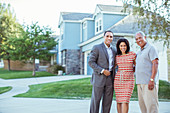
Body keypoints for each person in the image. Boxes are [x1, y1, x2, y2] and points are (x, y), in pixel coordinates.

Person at [88, 30, 117, 113]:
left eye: (111, 36)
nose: (109, 38)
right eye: (107, 36)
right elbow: (91, 62)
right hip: (99, 78)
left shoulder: (114, 50)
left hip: (110, 79)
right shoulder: (97, 47)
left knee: (107, 102)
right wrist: (102, 70)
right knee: (95, 102)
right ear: (104, 37)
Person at [135, 31, 159, 113]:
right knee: (143, 108)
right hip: (139, 83)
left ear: (145, 37)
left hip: (148, 83)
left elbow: (155, 63)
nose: (138, 40)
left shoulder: (151, 48)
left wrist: (152, 79)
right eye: (136, 39)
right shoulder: (138, 52)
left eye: (140, 38)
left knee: (152, 108)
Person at [114, 38, 136, 113]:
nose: (123, 47)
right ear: (118, 47)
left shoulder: (132, 54)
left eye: (124, 45)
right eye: (121, 46)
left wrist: (131, 71)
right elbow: (112, 67)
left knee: (125, 100)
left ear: (127, 46)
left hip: (129, 80)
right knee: (119, 100)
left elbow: (137, 66)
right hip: (118, 80)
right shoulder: (117, 57)